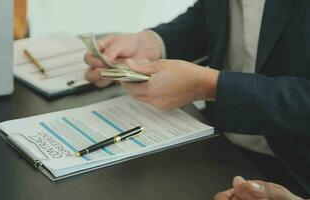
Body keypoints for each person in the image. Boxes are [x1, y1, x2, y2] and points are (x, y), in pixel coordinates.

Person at [84, 0, 310, 198]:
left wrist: (211, 86)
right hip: (220, 143)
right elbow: (208, 16)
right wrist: (151, 42)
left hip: (294, 171)